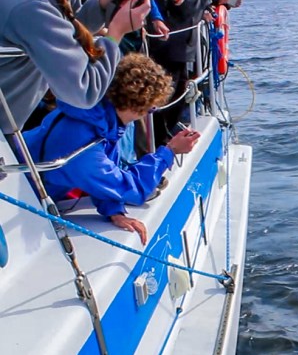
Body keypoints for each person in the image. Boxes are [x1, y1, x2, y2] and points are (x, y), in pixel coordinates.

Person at [23, 53, 201, 244]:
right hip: (24, 201)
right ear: (138, 108)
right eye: (151, 109)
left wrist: (113, 210)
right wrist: (170, 151)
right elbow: (133, 188)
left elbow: (108, 171)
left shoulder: (97, 117)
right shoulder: (84, 145)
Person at [0, 0, 151, 135]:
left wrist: (102, 6)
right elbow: (84, 91)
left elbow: (62, 27)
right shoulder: (32, 9)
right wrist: (116, 32)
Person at [148, 0, 213, 146]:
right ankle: (161, 141)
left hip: (182, 49)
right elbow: (181, 8)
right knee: (164, 97)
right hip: (167, 47)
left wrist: (208, 8)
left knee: (179, 93)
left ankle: (167, 135)